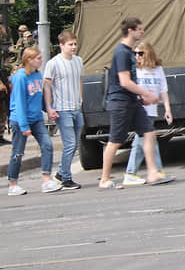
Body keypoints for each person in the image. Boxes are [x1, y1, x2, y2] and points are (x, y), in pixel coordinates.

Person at [98, 17, 175, 189]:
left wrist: (140, 98)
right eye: (139, 29)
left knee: (149, 132)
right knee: (116, 140)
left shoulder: (129, 51)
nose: (142, 32)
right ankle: (105, 178)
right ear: (130, 31)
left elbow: (130, 82)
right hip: (120, 102)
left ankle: (153, 173)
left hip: (132, 101)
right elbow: (124, 82)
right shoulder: (122, 52)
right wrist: (146, 94)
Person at [6, 47, 62, 195]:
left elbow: (39, 97)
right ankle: (13, 183)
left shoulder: (37, 75)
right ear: (29, 60)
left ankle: (46, 179)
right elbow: (19, 102)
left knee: (47, 145)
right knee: (18, 152)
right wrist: (24, 126)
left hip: (36, 118)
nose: (41, 60)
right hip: (20, 120)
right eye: (38, 58)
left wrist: (49, 109)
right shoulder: (20, 77)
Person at [122, 42, 172, 186]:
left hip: (151, 110)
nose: (137, 56)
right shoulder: (134, 71)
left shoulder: (157, 69)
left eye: (140, 53)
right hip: (139, 110)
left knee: (149, 140)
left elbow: (163, 89)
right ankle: (131, 172)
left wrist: (167, 109)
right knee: (141, 141)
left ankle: (156, 171)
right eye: (135, 53)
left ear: (148, 53)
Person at [43, 30, 85, 190]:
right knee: (70, 143)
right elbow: (47, 85)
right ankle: (66, 178)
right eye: (70, 44)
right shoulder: (53, 63)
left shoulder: (78, 61)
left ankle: (61, 172)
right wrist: (50, 107)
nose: (74, 47)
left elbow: (79, 80)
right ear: (61, 45)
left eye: (75, 44)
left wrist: (81, 101)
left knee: (74, 144)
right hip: (62, 108)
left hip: (76, 107)